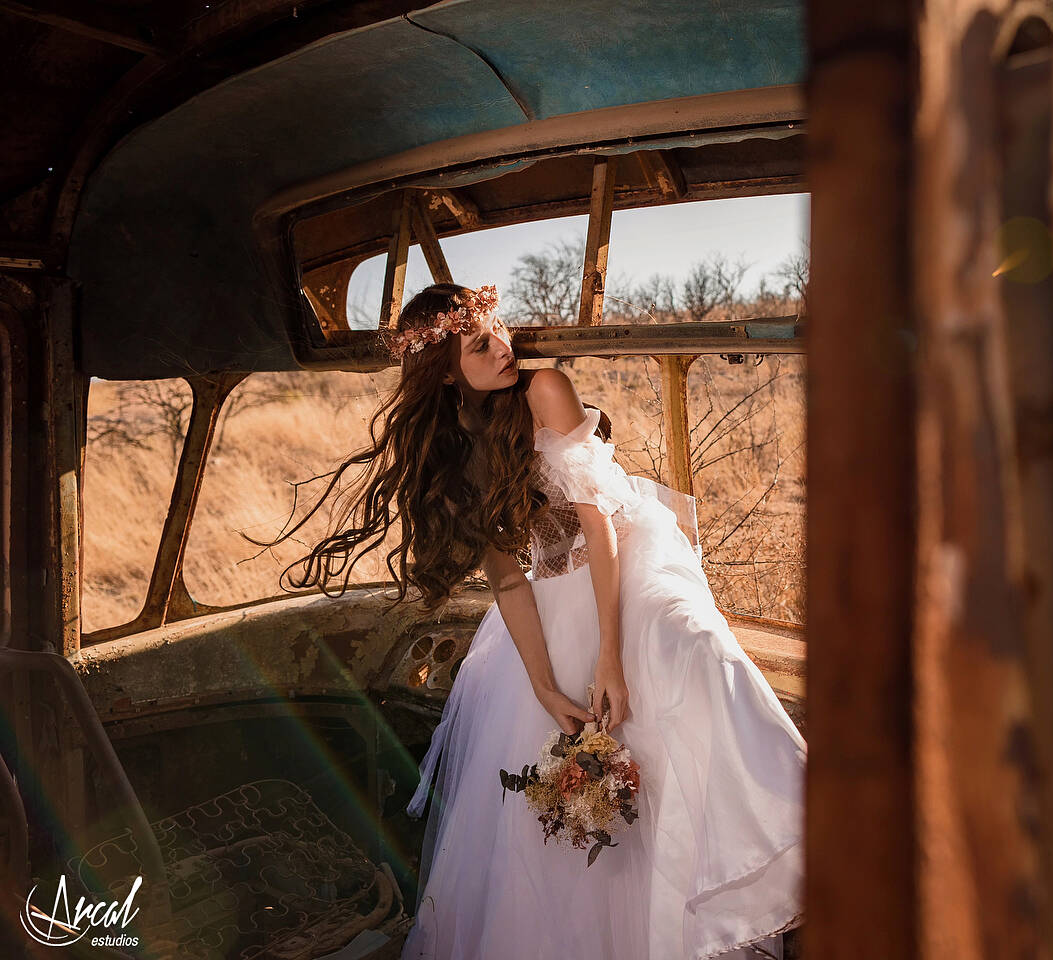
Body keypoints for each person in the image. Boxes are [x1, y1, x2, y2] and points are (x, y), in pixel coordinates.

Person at [268, 283, 805, 959]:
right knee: (552, 749)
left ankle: (782, 830)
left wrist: (610, 653)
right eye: (478, 344)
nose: (502, 347)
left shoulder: (543, 388)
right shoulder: (453, 443)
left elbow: (598, 526)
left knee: (692, 652)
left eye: (495, 328)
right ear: (442, 371)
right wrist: (546, 685)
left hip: (625, 559)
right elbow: (509, 578)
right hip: (550, 591)